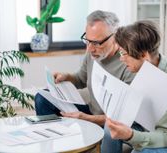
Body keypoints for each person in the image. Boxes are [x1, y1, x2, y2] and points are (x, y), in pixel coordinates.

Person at [34, 10, 135, 152]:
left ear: (116, 36)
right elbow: (81, 79)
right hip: (91, 112)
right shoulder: (92, 53)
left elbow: (125, 119)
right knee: (42, 98)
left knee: (110, 127)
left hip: (109, 122)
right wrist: (66, 77)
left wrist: (86, 118)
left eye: (96, 43)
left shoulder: (129, 62)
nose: (90, 49)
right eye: (87, 40)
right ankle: (51, 145)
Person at [105, 20, 167, 153]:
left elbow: (165, 137)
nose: (121, 59)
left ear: (144, 55)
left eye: (124, 54)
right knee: (110, 127)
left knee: (143, 152)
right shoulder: (147, 66)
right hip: (152, 127)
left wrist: (131, 135)